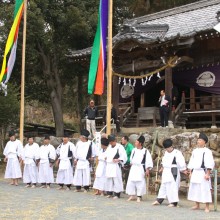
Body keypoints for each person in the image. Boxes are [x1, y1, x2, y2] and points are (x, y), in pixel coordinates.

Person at [152, 139, 187, 207]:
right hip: (166, 171)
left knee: (173, 186)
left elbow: (181, 162)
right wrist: (162, 168)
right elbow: (164, 161)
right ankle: (159, 199)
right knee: (164, 185)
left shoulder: (177, 153)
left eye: (168, 148)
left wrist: (183, 169)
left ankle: (174, 202)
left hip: (173, 170)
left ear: (171, 146)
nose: (167, 150)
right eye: (166, 148)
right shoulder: (166, 153)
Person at [187, 133, 215, 213]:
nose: (198, 141)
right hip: (195, 171)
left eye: (200, 140)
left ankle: (207, 206)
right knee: (195, 188)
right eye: (198, 140)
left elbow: (210, 162)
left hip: (203, 172)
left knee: (205, 189)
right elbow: (191, 162)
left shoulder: (207, 151)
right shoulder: (195, 151)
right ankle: (197, 204)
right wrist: (190, 172)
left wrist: (208, 173)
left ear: (204, 142)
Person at [126, 135, 153, 202]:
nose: (135, 143)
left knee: (140, 182)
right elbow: (131, 158)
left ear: (140, 143)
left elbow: (148, 161)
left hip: (140, 168)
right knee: (131, 181)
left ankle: (139, 196)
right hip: (133, 167)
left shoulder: (145, 151)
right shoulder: (134, 150)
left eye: (136, 142)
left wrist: (147, 169)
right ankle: (132, 195)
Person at [105, 134, 127, 199]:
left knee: (116, 179)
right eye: (110, 142)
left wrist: (118, 159)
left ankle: (117, 194)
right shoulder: (109, 147)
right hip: (109, 165)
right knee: (109, 179)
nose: (111, 143)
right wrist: (106, 157)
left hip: (115, 165)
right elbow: (106, 154)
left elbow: (123, 156)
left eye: (112, 142)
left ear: (115, 141)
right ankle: (109, 192)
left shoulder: (120, 147)